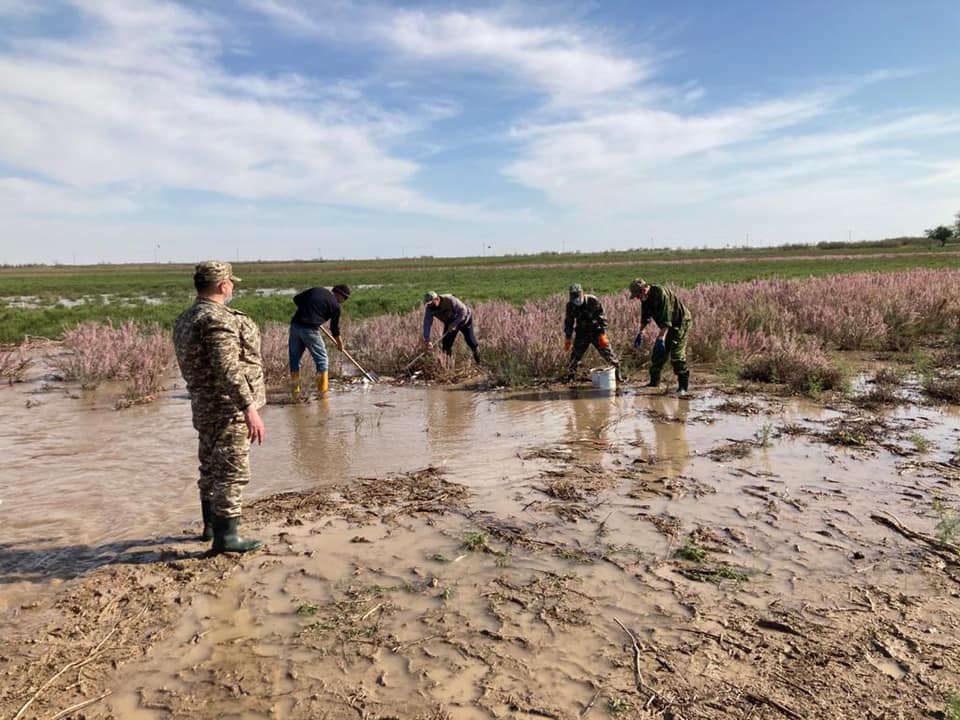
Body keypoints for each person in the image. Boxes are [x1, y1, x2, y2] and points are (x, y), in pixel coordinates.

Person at [173, 261, 266, 554]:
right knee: (231, 471)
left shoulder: (187, 317)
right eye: (231, 282)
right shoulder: (217, 319)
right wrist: (249, 406)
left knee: (211, 466)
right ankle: (227, 538)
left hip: (204, 405)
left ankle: (211, 526)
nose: (233, 286)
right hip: (226, 408)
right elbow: (227, 368)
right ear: (223, 285)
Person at [628, 278, 692, 395]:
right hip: (667, 326)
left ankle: (683, 387)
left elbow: (667, 320)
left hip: (680, 323)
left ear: (643, 289)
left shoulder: (660, 294)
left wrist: (661, 338)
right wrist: (640, 332)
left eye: (637, 295)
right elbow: (645, 316)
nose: (637, 298)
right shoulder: (645, 298)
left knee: (676, 355)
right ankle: (654, 383)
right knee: (658, 354)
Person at [288, 283, 351, 399]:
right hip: (310, 330)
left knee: (294, 359)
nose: (344, 301)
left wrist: (308, 310)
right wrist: (340, 343)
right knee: (322, 360)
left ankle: (295, 392)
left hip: (295, 327)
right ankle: (323, 395)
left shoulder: (317, 290)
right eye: (345, 298)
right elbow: (334, 329)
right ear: (340, 295)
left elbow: (296, 299)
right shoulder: (336, 306)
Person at [563, 284, 623, 382]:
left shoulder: (592, 300)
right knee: (575, 356)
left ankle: (617, 375)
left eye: (578, 297)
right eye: (574, 298)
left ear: (582, 294)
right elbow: (569, 322)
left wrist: (602, 334)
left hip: (596, 331)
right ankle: (571, 376)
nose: (577, 300)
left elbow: (602, 317)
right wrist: (568, 337)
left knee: (608, 353)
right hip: (582, 333)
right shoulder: (570, 305)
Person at [422, 291, 482, 364]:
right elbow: (427, 324)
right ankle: (448, 367)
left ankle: (479, 363)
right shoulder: (429, 309)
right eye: (428, 304)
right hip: (449, 323)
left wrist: (454, 324)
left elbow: (463, 311)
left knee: (471, 341)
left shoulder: (450, 299)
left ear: (437, 299)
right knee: (446, 346)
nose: (430, 305)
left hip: (464, 320)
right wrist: (427, 340)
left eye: (431, 303)